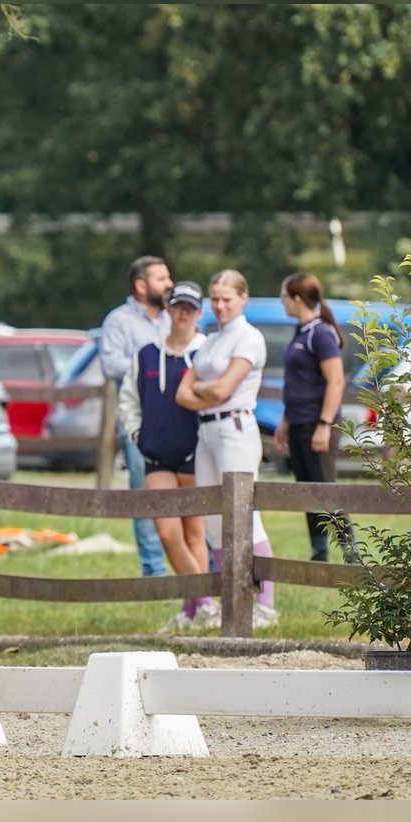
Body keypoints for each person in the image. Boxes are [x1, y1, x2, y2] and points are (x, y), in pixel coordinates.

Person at [175, 269, 278, 628]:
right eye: (215, 299)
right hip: (206, 430)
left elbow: (221, 391)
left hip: (234, 426)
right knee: (213, 518)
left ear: (242, 299)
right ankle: (227, 597)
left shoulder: (248, 338)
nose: (219, 306)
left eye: (226, 299)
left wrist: (205, 389)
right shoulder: (210, 341)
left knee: (245, 511)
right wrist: (208, 389)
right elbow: (182, 393)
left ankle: (265, 602)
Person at [119, 280, 216, 630]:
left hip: (194, 453)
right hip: (157, 453)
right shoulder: (145, 353)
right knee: (166, 532)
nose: (184, 313)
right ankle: (205, 599)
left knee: (195, 532)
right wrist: (137, 434)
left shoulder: (207, 352)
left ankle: (191, 610)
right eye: (178, 306)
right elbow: (129, 400)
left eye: (191, 308)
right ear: (169, 309)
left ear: (199, 313)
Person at [273, 272, 355, 562]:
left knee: (324, 488)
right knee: (306, 489)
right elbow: (298, 383)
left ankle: (350, 550)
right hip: (297, 422)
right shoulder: (301, 331)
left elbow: (335, 381)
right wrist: (285, 422)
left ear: (296, 299)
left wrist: (324, 425)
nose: (282, 302)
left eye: (283, 296)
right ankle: (318, 550)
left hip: (316, 423)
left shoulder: (320, 332)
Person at [99, 255, 174, 576]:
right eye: (161, 278)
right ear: (141, 286)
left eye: (168, 277)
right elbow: (110, 364)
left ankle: (200, 567)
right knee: (144, 491)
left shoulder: (176, 316)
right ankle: (154, 570)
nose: (169, 284)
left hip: (178, 417)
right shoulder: (118, 321)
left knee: (188, 490)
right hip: (139, 419)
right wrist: (151, 366)